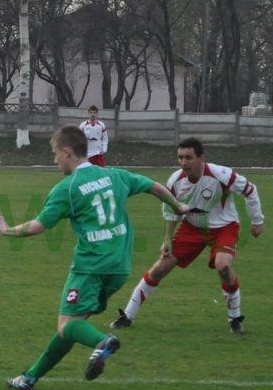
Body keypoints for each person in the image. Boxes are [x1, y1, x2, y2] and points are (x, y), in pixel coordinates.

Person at [0, 125, 191, 390]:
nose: (54, 160)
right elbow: (153, 186)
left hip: (90, 266)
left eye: (55, 153)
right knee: (73, 325)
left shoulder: (68, 188)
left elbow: (37, 226)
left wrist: (6, 230)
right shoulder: (115, 175)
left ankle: (103, 342)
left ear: (67, 152)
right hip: (119, 268)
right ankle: (29, 377)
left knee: (67, 326)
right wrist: (178, 206)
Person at [111, 137, 264, 334]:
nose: (183, 162)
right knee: (160, 267)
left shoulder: (221, 174)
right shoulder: (175, 181)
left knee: (223, 266)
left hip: (224, 227)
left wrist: (257, 221)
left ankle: (235, 317)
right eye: (180, 157)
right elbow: (171, 210)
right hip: (192, 228)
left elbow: (250, 190)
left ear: (202, 158)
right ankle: (127, 316)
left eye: (188, 157)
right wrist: (167, 239)